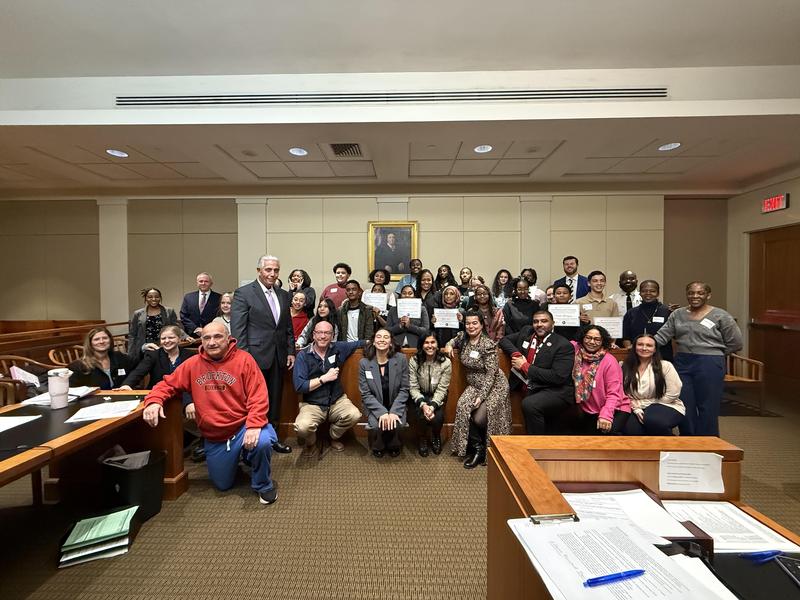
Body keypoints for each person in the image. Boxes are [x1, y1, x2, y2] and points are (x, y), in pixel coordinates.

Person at [142, 322, 278, 505]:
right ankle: (239, 457)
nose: (212, 342)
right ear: (201, 341)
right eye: (206, 338)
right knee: (222, 485)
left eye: (217, 337)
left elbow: (259, 397)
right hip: (215, 435)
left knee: (262, 441)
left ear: (228, 338)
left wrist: (254, 425)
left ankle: (263, 484)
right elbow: (167, 384)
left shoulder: (244, 360)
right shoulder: (192, 364)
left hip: (242, 426)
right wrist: (154, 401)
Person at [654, 281, 743, 436]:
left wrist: (715, 353)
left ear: (708, 295)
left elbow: (736, 343)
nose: (695, 296)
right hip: (683, 362)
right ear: (687, 295)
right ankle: (688, 439)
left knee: (708, 405)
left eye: (700, 293)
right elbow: (662, 336)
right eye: (691, 293)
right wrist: (642, 345)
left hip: (710, 363)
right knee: (684, 402)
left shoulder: (721, 315)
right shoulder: (678, 314)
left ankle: (709, 442)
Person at [231, 255, 295, 454]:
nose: (272, 274)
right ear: (259, 270)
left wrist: (290, 351)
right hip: (254, 357)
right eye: (268, 270)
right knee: (255, 400)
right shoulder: (244, 293)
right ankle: (253, 440)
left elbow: (287, 327)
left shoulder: (283, 295)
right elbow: (238, 330)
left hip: (278, 355)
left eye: (276, 270)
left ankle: (272, 439)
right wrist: (244, 358)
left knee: (275, 398)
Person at [444, 311, 511, 469]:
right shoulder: (464, 338)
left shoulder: (487, 344)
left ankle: (481, 450)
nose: (471, 326)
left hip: (495, 385)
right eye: (468, 323)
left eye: (475, 323)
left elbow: (492, 373)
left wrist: (481, 397)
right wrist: (449, 345)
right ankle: (475, 447)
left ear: (482, 325)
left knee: (479, 418)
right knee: (462, 406)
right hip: (474, 384)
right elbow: (454, 339)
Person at [292, 320, 364, 456]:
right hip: (312, 403)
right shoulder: (303, 355)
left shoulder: (338, 348)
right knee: (302, 427)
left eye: (327, 333)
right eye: (319, 332)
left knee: (354, 415)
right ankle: (311, 443)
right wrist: (323, 379)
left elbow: (359, 343)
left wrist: (376, 341)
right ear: (313, 335)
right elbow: (299, 386)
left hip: (337, 400)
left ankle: (333, 436)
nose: (323, 336)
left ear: (332, 336)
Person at [499, 310, 575, 434]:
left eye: (544, 321)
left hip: (556, 390)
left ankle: (535, 443)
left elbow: (558, 377)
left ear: (552, 323)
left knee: (530, 404)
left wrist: (525, 366)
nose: (539, 324)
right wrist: (516, 354)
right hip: (531, 386)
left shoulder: (563, 345)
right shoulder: (527, 332)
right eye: (536, 321)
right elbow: (504, 341)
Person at [359, 328, 410, 458]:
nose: (382, 339)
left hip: (395, 404)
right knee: (376, 426)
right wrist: (382, 413)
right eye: (379, 337)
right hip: (375, 405)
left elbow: (404, 389)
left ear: (391, 342)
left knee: (398, 424)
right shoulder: (364, 363)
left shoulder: (401, 359)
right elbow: (365, 393)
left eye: (386, 337)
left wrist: (393, 412)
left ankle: (394, 443)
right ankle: (378, 444)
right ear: (373, 341)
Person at [570, 325, 630, 434]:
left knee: (604, 437)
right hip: (588, 410)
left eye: (597, 339)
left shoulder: (609, 361)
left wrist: (606, 415)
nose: (592, 342)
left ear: (603, 341)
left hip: (615, 408)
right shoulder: (577, 351)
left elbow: (614, 393)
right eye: (588, 337)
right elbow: (565, 343)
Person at [622, 334, 684, 435]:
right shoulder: (625, 367)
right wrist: (635, 407)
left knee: (653, 420)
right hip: (634, 406)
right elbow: (622, 393)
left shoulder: (665, 366)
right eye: (640, 344)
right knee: (631, 431)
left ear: (655, 349)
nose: (644, 348)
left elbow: (672, 394)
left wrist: (642, 404)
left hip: (666, 404)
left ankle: (668, 446)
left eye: (649, 345)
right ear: (634, 347)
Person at [409, 334, 451, 457]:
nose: (430, 345)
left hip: (437, 395)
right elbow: (413, 386)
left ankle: (436, 435)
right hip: (420, 395)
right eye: (426, 343)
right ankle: (422, 438)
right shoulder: (414, 361)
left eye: (433, 342)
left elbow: (443, 388)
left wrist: (432, 406)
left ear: (438, 345)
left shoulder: (445, 362)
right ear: (422, 345)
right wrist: (423, 404)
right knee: (421, 416)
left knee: (437, 417)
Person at [69, 326, 136, 389]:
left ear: (110, 340)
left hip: (122, 398)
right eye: (96, 339)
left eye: (105, 338)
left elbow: (136, 366)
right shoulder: (77, 366)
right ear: (90, 343)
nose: (101, 342)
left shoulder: (119, 357)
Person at [128, 287, 183, 362]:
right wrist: (131, 353)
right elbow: (132, 334)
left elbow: (176, 327)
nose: (153, 299)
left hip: (164, 346)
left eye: (156, 297)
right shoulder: (137, 314)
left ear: (160, 298)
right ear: (146, 298)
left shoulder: (169, 311)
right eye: (150, 297)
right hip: (146, 347)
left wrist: (186, 336)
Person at [622, 280, 673, 361]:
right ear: (640, 293)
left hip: (662, 357)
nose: (648, 293)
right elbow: (626, 337)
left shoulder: (667, 312)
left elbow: (673, 336)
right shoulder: (631, 313)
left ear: (658, 293)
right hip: (637, 358)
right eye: (644, 291)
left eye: (652, 291)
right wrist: (630, 351)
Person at [180, 272, 222, 336]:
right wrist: (195, 329)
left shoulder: (219, 298)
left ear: (211, 283)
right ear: (197, 283)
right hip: (192, 335)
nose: (203, 283)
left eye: (206, 281)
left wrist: (207, 329)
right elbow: (183, 316)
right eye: (201, 281)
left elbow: (220, 316)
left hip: (212, 334)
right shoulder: (188, 297)